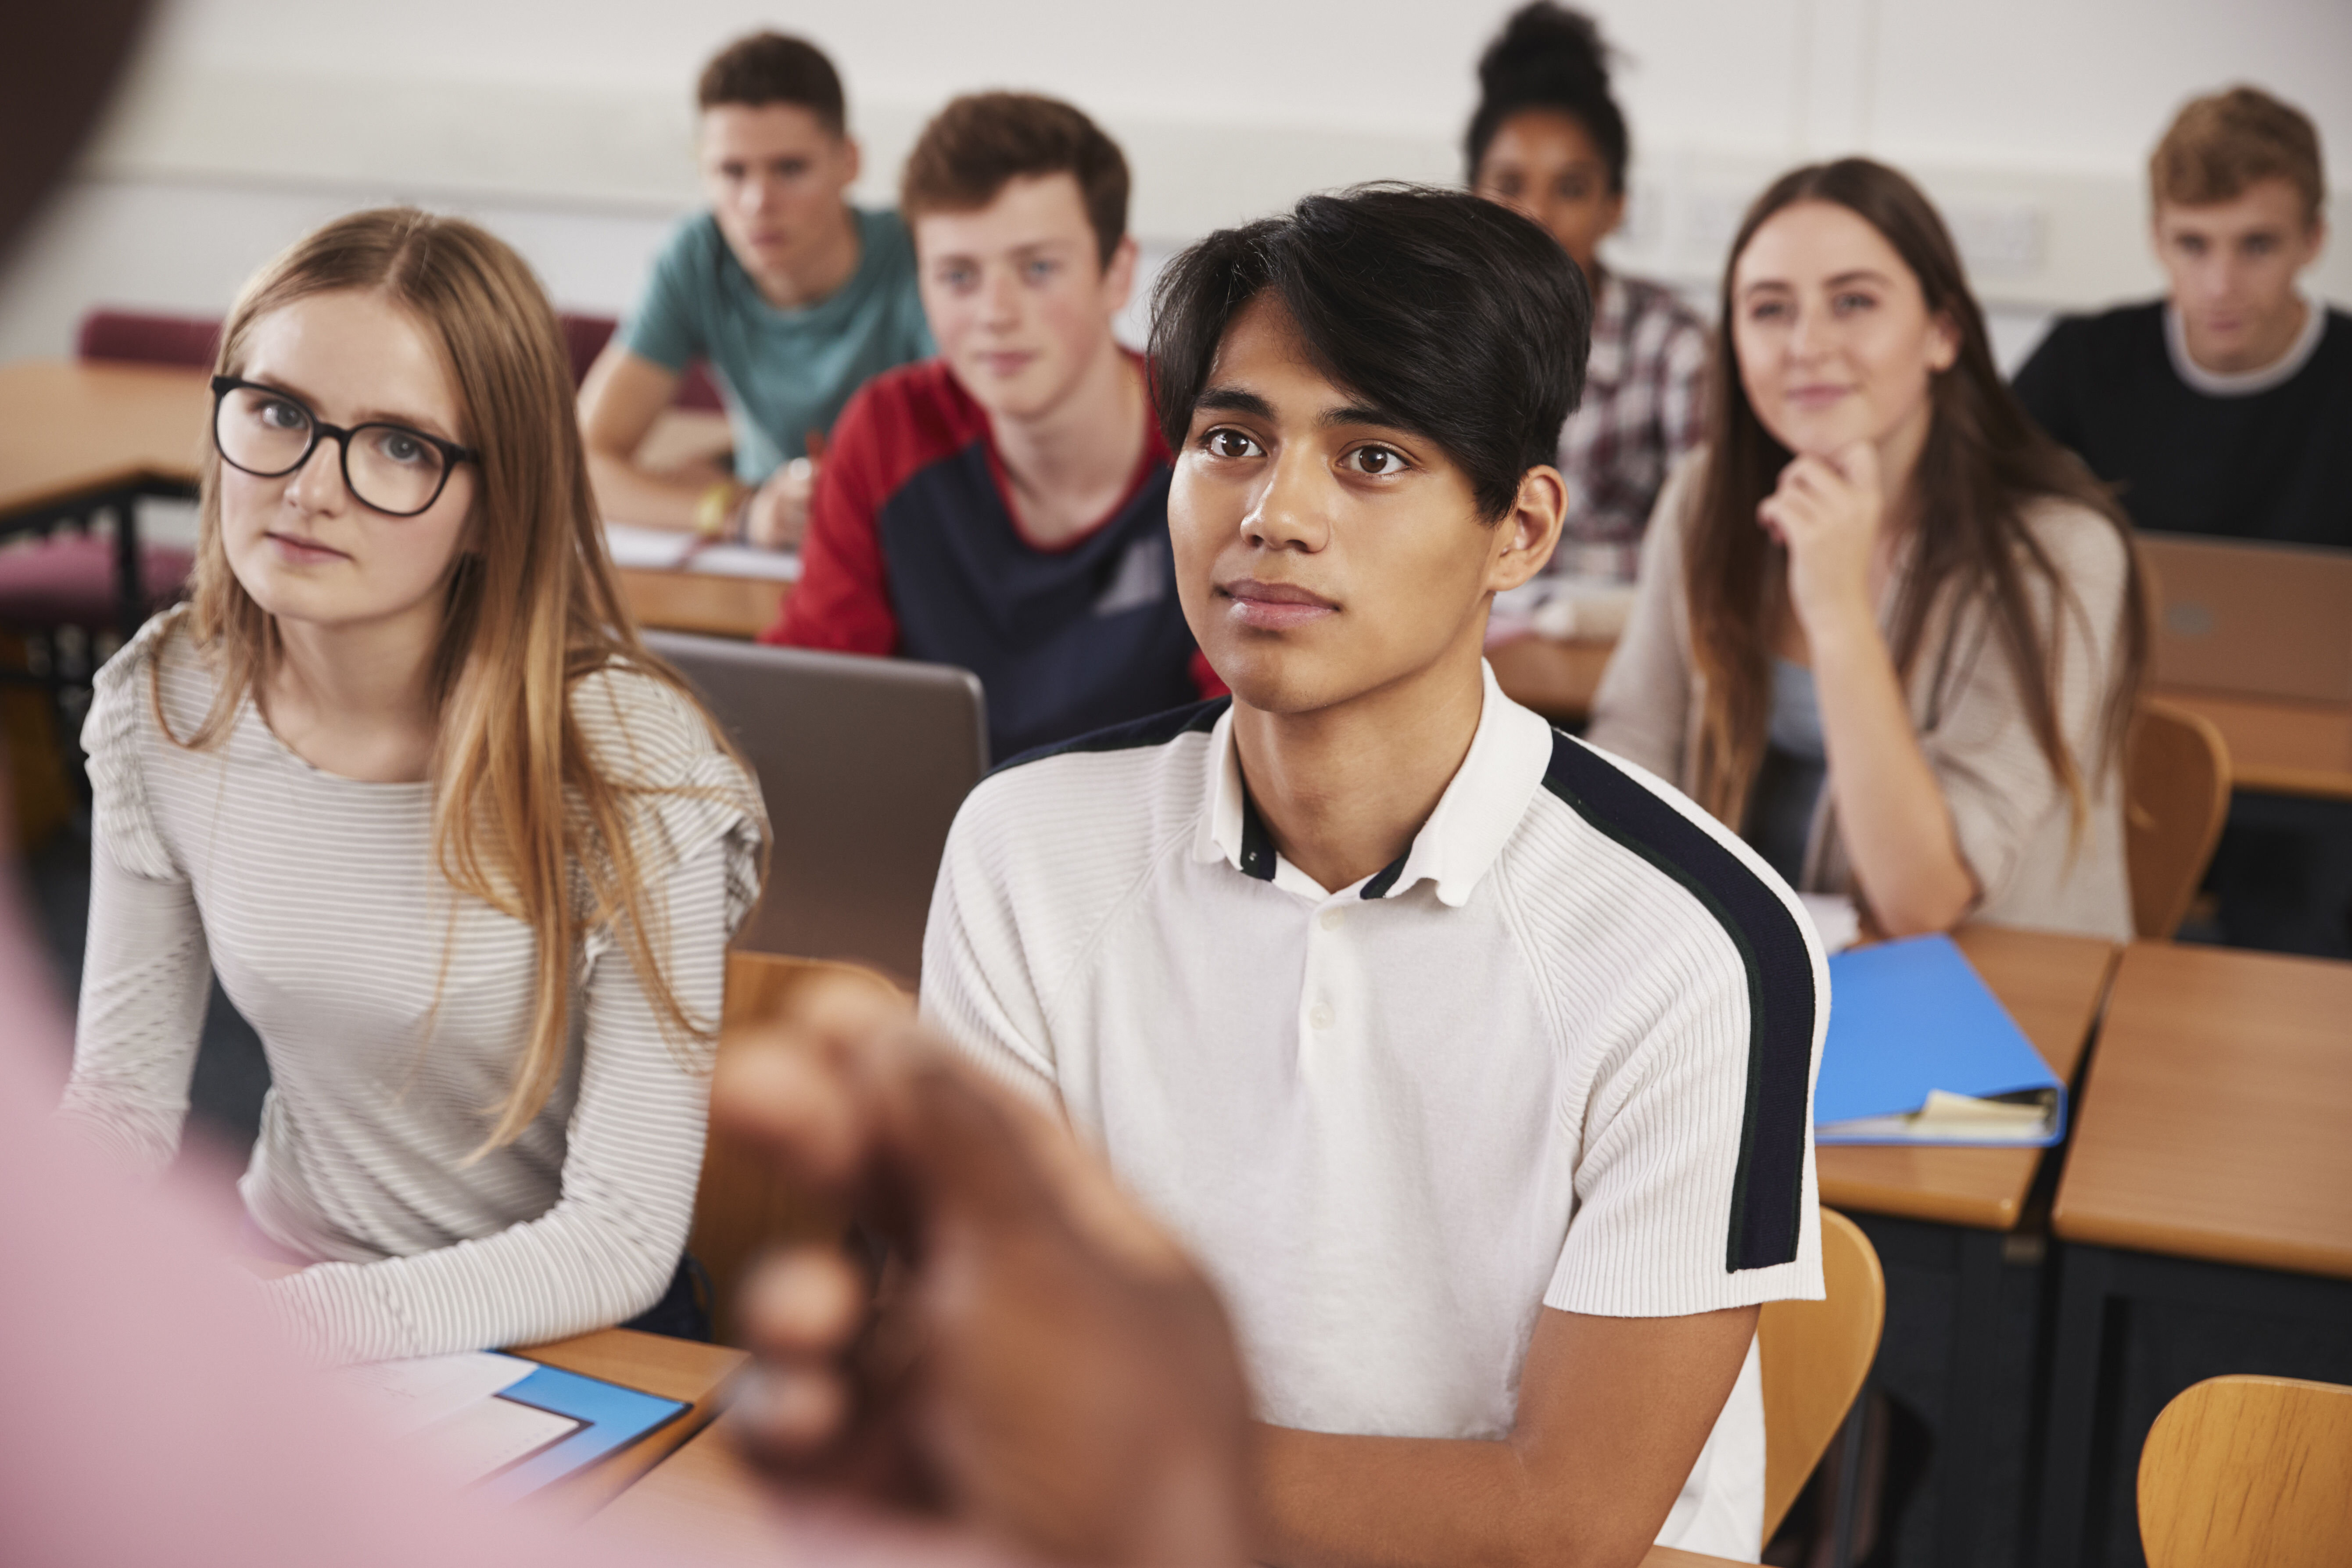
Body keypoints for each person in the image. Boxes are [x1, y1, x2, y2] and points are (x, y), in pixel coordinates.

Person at [923, 185, 1828, 1565]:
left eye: (1372, 459)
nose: (1274, 514)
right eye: (1231, 440)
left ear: (1519, 533)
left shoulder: (1693, 941)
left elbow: (1566, 1521)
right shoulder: (1024, 849)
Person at [56, 207, 767, 1365]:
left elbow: (622, 1236)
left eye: (400, 444)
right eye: (279, 412)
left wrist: (292, 1328)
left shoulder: (635, 761)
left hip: (561, 1331)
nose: (310, 487)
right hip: (278, 1275)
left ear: (494, 501)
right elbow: (119, 1111)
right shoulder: (171, 701)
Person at [1588, 159, 2149, 941]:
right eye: (1770, 309)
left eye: (1854, 302)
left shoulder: (2057, 550)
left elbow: (1925, 899)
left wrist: (1837, 606)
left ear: (1942, 332)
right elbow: (1636, 744)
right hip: (1753, 962)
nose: (1808, 344)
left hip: (1990, 990)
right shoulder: (1704, 497)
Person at [763, 93, 1220, 763]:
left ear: (1116, 272)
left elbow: (1255, 724)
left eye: (1037, 268)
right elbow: (810, 692)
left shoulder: (1210, 446)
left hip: (1149, 848)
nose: (995, 313)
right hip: (937, 846)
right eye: (958, 275)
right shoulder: (887, 428)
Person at [579, 32, 932, 549]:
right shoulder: (698, 256)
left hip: (904, 542)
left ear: (849, 162)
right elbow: (580, 464)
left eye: (790, 169)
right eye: (731, 171)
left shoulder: (926, 259)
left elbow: (1000, 454)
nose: (756, 202)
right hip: (767, 553)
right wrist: (739, 514)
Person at [2012, 86, 2348, 548]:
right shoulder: (2084, 356)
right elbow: (1964, 489)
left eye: (2257, 246)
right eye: (2192, 245)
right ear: (2156, 239)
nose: (2220, 286)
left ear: (2311, 241)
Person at [1469, 1, 1708, 583]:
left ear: (1614, 208)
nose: (1537, 213)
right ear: (1472, 194)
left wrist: (1501, 559)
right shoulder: (1433, 332)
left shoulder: (1676, 347)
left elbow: (1704, 552)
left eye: (1571, 188)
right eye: (1509, 183)